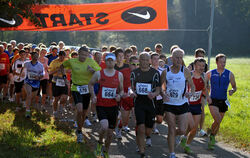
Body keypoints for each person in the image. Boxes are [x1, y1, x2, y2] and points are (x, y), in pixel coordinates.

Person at [61, 46, 101, 143]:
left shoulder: (91, 62)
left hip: (87, 88)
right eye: (82, 54)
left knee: (84, 113)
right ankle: (79, 131)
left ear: (88, 55)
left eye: (85, 55)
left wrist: (93, 71)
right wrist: (64, 77)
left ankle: (79, 128)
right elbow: (62, 66)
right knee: (79, 109)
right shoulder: (72, 61)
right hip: (76, 87)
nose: (83, 57)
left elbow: (100, 73)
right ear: (78, 53)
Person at [161, 48, 195, 158]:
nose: (179, 60)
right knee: (171, 127)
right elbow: (160, 86)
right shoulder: (166, 72)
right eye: (177, 57)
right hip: (169, 104)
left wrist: (190, 93)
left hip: (182, 103)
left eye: (181, 57)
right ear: (172, 58)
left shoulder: (185, 71)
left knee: (182, 129)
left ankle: (173, 135)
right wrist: (163, 94)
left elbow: (192, 87)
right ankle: (172, 153)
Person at [89, 53, 124, 158]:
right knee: (104, 126)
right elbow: (90, 84)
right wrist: (93, 96)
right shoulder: (99, 73)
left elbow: (122, 90)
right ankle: (99, 143)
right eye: (108, 60)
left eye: (112, 60)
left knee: (110, 133)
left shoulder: (119, 75)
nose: (110, 62)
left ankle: (106, 151)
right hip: (101, 105)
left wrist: (119, 95)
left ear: (115, 62)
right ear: (105, 61)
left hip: (113, 106)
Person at [130, 52, 161, 158]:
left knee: (148, 130)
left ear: (150, 61)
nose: (144, 62)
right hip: (139, 103)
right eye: (142, 59)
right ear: (139, 60)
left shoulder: (155, 73)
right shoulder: (134, 72)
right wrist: (131, 93)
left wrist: (154, 94)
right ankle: (142, 151)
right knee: (141, 128)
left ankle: (145, 138)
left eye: (146, 60)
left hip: (151, 104)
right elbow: (131, 87)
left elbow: (158, 89)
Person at [180, 57, 211, 154]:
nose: (201, 67)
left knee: (194, 129)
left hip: (197, 104)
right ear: (194, 66)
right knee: (192, 125)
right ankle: (184, 136)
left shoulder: (205, 76)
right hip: (187, 103)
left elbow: (204, 88)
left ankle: (187, 144)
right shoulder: (189, 74)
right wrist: (185, 93)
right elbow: (182, 85)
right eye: (199, 65)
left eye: (203, 66)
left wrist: (208, 96)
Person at [206, 53, 237, 150]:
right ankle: (211, 136)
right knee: (218, 119)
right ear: (216, 62)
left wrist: (232, 90)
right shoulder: (210, 73)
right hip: (213, 100)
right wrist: (207, 93)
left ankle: (212, 136)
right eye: (221, 62)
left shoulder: (229, 74)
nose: (223, 64)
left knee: (218, 122)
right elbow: (204, 83)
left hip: (223, 100)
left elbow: (234, 86)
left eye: (224, 62)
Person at [188, 48, 209, 137]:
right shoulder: (191, 66)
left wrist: (207, 95)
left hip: (200, 92)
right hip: (189, 96)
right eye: (199, 55)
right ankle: (184, 133)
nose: (201, 57)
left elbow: (206, 82)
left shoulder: (205, 66)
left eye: (202, 55)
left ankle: (201, 129)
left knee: (202, 110)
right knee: (189, 121)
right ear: (195, 56)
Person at [22, 51, 44, 118]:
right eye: (34, 56)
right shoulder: (26, 64)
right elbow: (23, 70)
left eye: (37, 56)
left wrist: (39, 77)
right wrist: (22, 75)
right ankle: (27, 111)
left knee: (32, 98)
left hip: (36, 83)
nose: (36, 57)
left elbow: (43, 74)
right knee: (29, 94)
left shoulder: (40, 65)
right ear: (31, 56)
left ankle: (28, 106)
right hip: (28, 81)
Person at [49, 51, 68, 118]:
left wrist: (64, 71)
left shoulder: (67, 61)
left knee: (65, 97)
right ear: (59, 56)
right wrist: (57, 70)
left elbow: (70, 70)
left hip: (64, 81)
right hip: (55, 82)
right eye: (61, 57)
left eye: (64, 57)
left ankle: (61, 106)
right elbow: (50, 72)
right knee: (56, 98)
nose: (62, 58)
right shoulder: (54, 62)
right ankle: (55, 111)